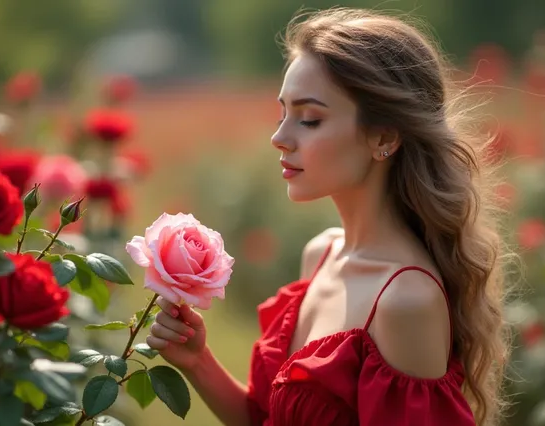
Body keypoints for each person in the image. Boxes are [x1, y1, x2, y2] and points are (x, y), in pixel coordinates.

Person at [146, 7, 511, 426]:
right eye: (283, 113)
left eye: (310, 119)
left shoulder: (406, 302)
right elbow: (271, 419)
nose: (279, 138)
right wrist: (198, 363)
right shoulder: (320, 254)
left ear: (385, 137)